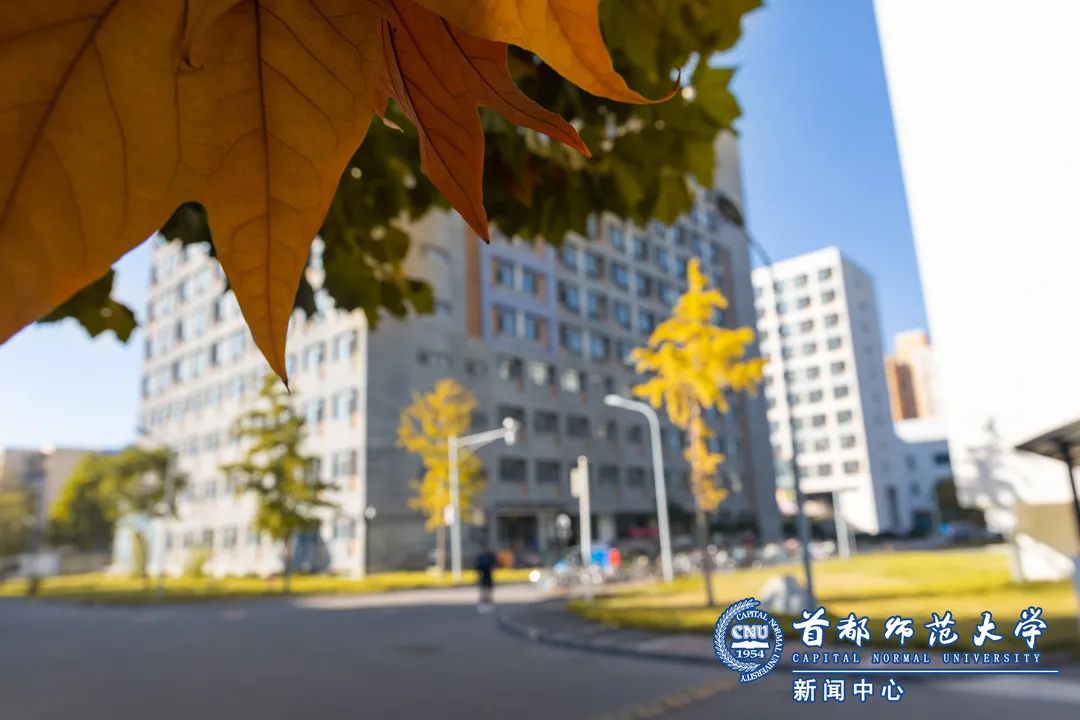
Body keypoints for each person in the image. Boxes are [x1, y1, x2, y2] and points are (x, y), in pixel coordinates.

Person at [475, 544, 498, 613]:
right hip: (482, 575)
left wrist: (493, 569)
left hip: (489, 575)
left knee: (489, 591)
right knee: (483, 591)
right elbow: (477, 566)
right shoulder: (481, 556)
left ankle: (489, 603)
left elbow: (494, 565)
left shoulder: (490, 556)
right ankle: (483, 604)